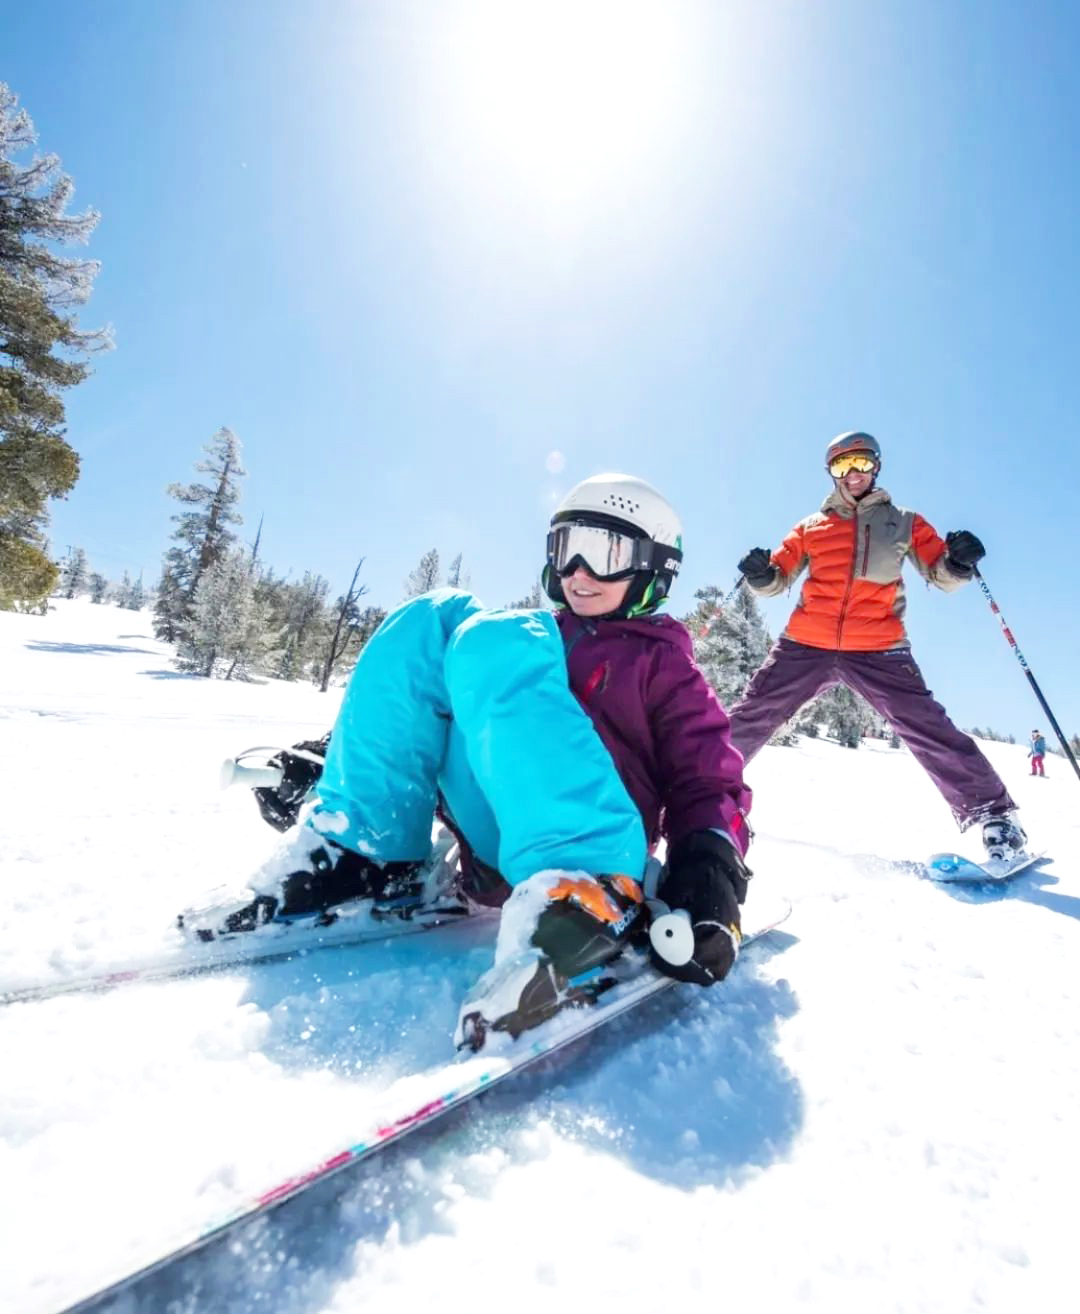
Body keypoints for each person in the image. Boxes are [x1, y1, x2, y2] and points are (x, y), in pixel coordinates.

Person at [184, 473, 753, 1045]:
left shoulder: (663, 667)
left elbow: (706, 777)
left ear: (656, 567)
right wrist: (331, 765)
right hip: (496, 842)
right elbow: (433, 724)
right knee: (432, 619)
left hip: (594, 841)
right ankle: (369, 849)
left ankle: (589, 892)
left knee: (496, 639)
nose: (578, 572)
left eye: (605, 553)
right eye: (564, 549)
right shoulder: (530, 641)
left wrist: (709, 862)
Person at [730, 431, 1028, 863]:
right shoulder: (811, 527)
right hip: (806, 643)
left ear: (877, 466)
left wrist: (959, 561)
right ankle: (692, 794)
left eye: (862, 464)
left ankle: (995, 815)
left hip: (878, 646)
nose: (852, 475)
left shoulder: (904, 522)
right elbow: (777, 581)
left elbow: (940, 574)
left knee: (927, 726)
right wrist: (760, 574)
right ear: (830, 473)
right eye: (841, 466)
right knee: (751, 716)